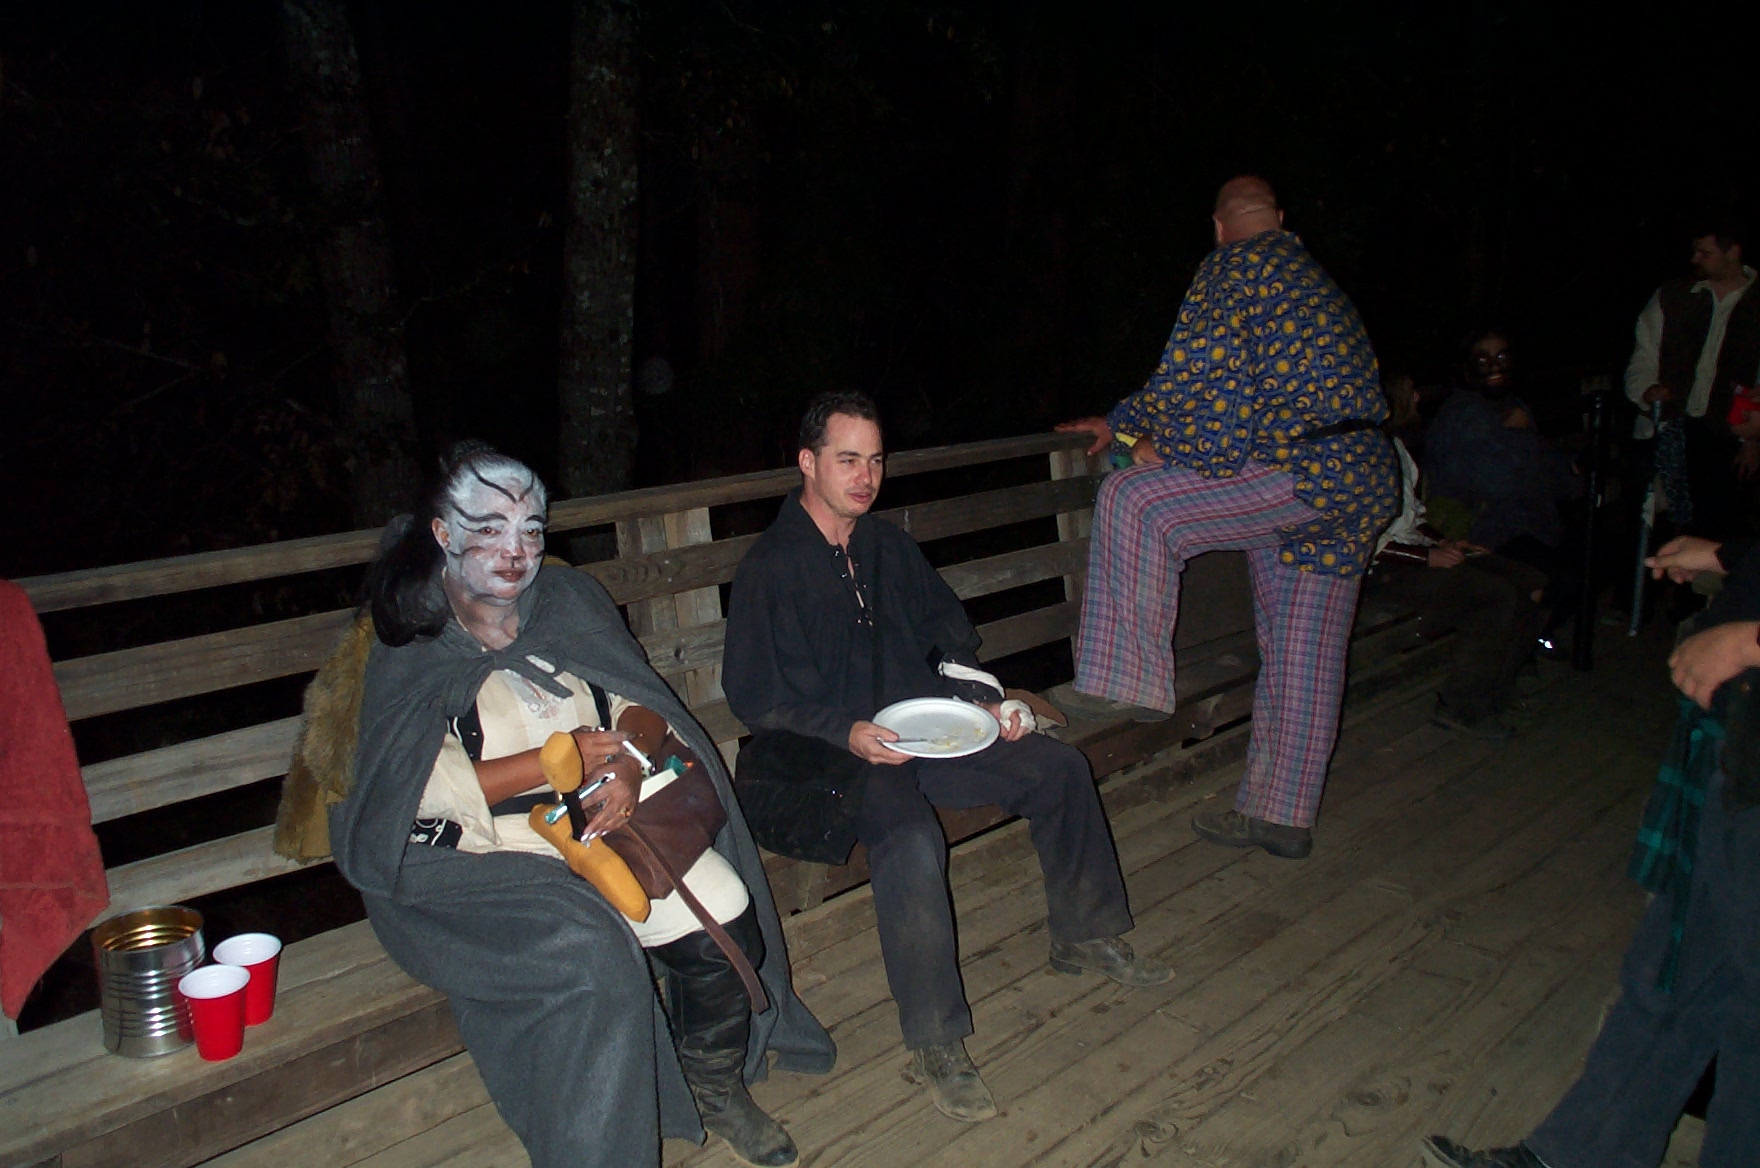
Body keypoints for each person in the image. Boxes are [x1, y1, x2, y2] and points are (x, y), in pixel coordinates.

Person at [325, 443, 834, 1168]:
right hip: (493, 853)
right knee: (595, 957)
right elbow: (415, 789)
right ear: (443, 532)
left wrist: (625, 761)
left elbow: (640, 703)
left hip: (608, 820)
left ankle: (713, 1087)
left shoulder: (565, 604)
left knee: (727, 924)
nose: (516, 550)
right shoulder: (411, 641)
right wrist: (549, 759)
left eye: (532, 529)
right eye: (491, 528)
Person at [723, 392, 1169, 1124]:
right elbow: (755, 697)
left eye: (875, 461)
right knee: (908, 838)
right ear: (807, 462)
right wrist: (845, 731)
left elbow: (949, 638)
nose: (865, 477)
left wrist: (985, 702)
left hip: (930, 732)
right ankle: (937, 1041)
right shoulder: (770, 568)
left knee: (1057, 769)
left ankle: (1087, 936)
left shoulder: (888, 547)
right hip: (837, 759)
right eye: (847, 460)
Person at [1056, 175, 1400, 861]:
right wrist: (1137, 426)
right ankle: (1281, 817)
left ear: (1218, 227)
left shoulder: (1234, 266)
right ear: (1280, 218)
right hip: (1363, 476)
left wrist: (1140, 436)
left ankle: (1126, 683)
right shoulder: (1318, 282)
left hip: (1304, 469)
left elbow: (1201, 381)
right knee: (1304, 648)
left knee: (1135, 500)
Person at [1423, 533, 1760, 1167]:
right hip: (1742, 745)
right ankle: (1581, 1155)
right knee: (1673, 974)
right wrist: (1732, 558)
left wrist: (1748, 642)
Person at [1369, 430, 1545, 740]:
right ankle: (1461, 705)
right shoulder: (1358, 453)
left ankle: (1498, 689)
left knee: (1530, 581)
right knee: (1495, 594)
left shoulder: (1394, 445)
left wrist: (1443, 542)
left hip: (1415, 549)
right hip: (1383, 569)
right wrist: (1426, 557)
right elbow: (1366, 541)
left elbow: (1410, 517)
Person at [1424, 330, 1584, 641]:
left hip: (1527, 524)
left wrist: (1574, 469)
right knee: (1555, 574)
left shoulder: (1510, 406)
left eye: (1502, 357)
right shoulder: (1463, 414)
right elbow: (1498, 484)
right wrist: (1523, 437)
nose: (1495, 366)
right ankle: (1521, 646)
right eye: (1483, 359)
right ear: (1466, 367)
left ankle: (1533, 640)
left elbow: (1551, 476)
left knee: (1593, 553)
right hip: (1480, 530)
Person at [1624, 223, 1760, 538]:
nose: (1695, 259)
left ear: (1732, 252)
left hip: (1726, 435)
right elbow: (1644, 354)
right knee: (1651, 527)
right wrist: (1646, 391)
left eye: (1705, 252)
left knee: (1713, 529)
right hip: (1668, 426)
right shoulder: (1673, 296)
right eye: (1694, 251)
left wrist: (1753, 441)